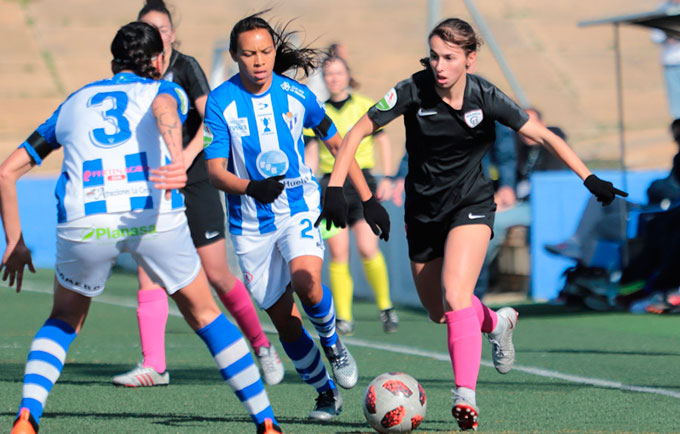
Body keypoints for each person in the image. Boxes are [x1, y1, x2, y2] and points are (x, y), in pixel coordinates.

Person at [318, 18, 627, 430]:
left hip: (471, 205)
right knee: (438, 311)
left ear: (469, 58)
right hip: (423, 213)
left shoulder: (487, 96)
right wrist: (341, 191)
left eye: (449, 57)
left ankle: (466, 395)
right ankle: (497, 323)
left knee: (456, 292)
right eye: (434, 56)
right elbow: (356, 132)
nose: (439, 65)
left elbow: (545, 136)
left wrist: (589, 179)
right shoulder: (412, 89)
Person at [5, 22, 282, 434]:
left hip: (85, 217)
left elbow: (7, 171)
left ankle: (28, 416)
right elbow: (165, 111)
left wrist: (16, 241)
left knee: (64, 318)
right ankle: (267, 422)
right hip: (151, 212)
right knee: (206, 314)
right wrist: (174, 160)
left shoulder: (75, 100)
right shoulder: (164, 88)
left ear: (113, 61)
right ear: (157, 61)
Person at [202, 11, 390, 420]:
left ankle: (333, 342)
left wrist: (367, 196)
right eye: (249, 53)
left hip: (297, 207)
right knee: (286, 324)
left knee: (308, 283)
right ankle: (325, 393)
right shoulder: (220, 102)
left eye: (266, 51)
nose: (259, 60)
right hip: (249, 224)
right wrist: (251, 187)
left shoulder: (297, 94)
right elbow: (215, 171)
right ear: (235, 55)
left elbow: (340, 142)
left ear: (274, 52)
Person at [112, 0, 284, 389]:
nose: (157, 37)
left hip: (193, 180)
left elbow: (210, 119)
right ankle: (154, 364)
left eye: (162, 29)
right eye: (148, 31)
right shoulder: (135, 78)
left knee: (218, 275)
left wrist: (184, 161)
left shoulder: (185, 68)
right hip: (156, 184)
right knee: (148, 272)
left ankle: (260, 345)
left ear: (171, 34)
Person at [305, 55, 398, 335]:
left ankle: (386, 307)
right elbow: (311, 150)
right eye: (329, 74)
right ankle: (344, 317)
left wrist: (389, 177)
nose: (334, 78)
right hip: (329, 184)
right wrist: (309, 184)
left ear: (348, 75)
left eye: (338, 73)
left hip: (362, 182)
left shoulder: (363, 105)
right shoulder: (318, 111)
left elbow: (382, 141)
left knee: (368, 248)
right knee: (338, 253)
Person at [651, 0, 680, 119]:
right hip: (671, 63)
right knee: (676, 104)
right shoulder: (662, 8)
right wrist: (668, 36)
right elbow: (656, 36)